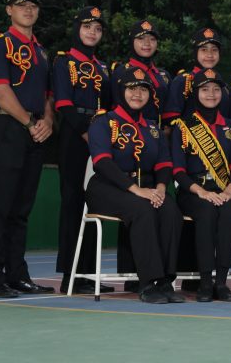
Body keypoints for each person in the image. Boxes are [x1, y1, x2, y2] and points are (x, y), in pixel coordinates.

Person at [0, 0, 56, 298]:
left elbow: (48, 95)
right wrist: (30, 122)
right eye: (21, 5)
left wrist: (47, 121)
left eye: (33, 5)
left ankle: (16, 275)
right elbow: (0, 91)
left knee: (22, 209)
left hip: (34, 131)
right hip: (8, 128)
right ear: (9, 10)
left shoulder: (42, 52)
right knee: (0, 206)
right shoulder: (1, 43)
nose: (28, 9)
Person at [86, 66, 183, 304]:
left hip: (148, 188)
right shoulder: (104, 122)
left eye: (143, 89)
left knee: (171, 210)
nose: (137, 94)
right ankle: (147, 283)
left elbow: (164, 163)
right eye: (132, 89)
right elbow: (103, 163)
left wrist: (161, 189)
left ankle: (166, 281)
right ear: (121, 91)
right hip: (108, 188)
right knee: (142, 209)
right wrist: (137, 190)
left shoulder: (153, 128)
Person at [52, 6, 114, 295]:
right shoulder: (64, 62)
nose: (92, 32)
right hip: (75, 137)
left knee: (96, 204)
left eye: (98, 28)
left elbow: (111, 108)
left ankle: (89, 273)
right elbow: (63, 104)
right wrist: (89, 134)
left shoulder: (104, 68)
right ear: (77, 28)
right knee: (73, 203)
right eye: (87, 26)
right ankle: (70, 274)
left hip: (100, 136)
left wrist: (102, 136)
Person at [172, 69, 231, 302]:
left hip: (225, 190)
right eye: (205, 89)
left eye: (216, 89)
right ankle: (205, 282)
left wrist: (229, 190)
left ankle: (221, 283)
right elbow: (178, 171)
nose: (211, 94)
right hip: (193, 192)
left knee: (230, 211)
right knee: (206, 211)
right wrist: (202, 192)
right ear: (196, 93)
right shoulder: (183, 127)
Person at [164, 27, 230, 124]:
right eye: (204, 50)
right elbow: (170, 122)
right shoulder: (183, 81)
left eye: (214, 50)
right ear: (195, 52)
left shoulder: (223, 86)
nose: (210, 55)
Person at [111, 20, 171, 127]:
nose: (147, 43)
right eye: (141, 38)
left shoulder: (164, 75)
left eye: (152, 39)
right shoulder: (121, 72)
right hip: (129, 130)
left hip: (158, 132)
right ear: (132, 41)